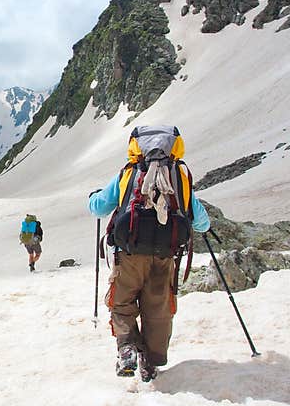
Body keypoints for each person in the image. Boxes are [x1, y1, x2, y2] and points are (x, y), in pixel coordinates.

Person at [88, 125, 210, 382]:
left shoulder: (130, 173)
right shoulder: (179, 175)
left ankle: (128, 348)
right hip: (165, 255)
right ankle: (151, 362)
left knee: (122, 302)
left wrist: (93, 197)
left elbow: (99, 207)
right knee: (159, 310)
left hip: (129, 253)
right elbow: (201, 222)